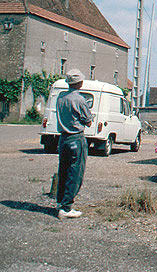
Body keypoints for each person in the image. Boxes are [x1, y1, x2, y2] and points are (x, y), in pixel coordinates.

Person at [56, 69, 93, 219]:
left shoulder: (60, 97)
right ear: (79, 83)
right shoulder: (79, 99)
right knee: (75, 173)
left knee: (63, 171)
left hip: (63, 138)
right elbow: (88, 121)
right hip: (76, 138)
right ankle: (66, 207)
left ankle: (60, 203)